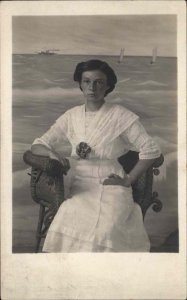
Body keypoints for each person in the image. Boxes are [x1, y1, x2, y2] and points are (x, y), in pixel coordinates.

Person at [31, 59, 161, 252]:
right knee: (72, 216)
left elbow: (151, 149)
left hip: (110, 180)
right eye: (87, 81)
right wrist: (51, 153)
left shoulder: (120, 115)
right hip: (77, 180)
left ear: (108, 86)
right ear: (80, 84)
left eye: (99, 82)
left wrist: (128, 180)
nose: (92, 87)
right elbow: (38, 145)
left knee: (106, 229)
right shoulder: (71, 116)